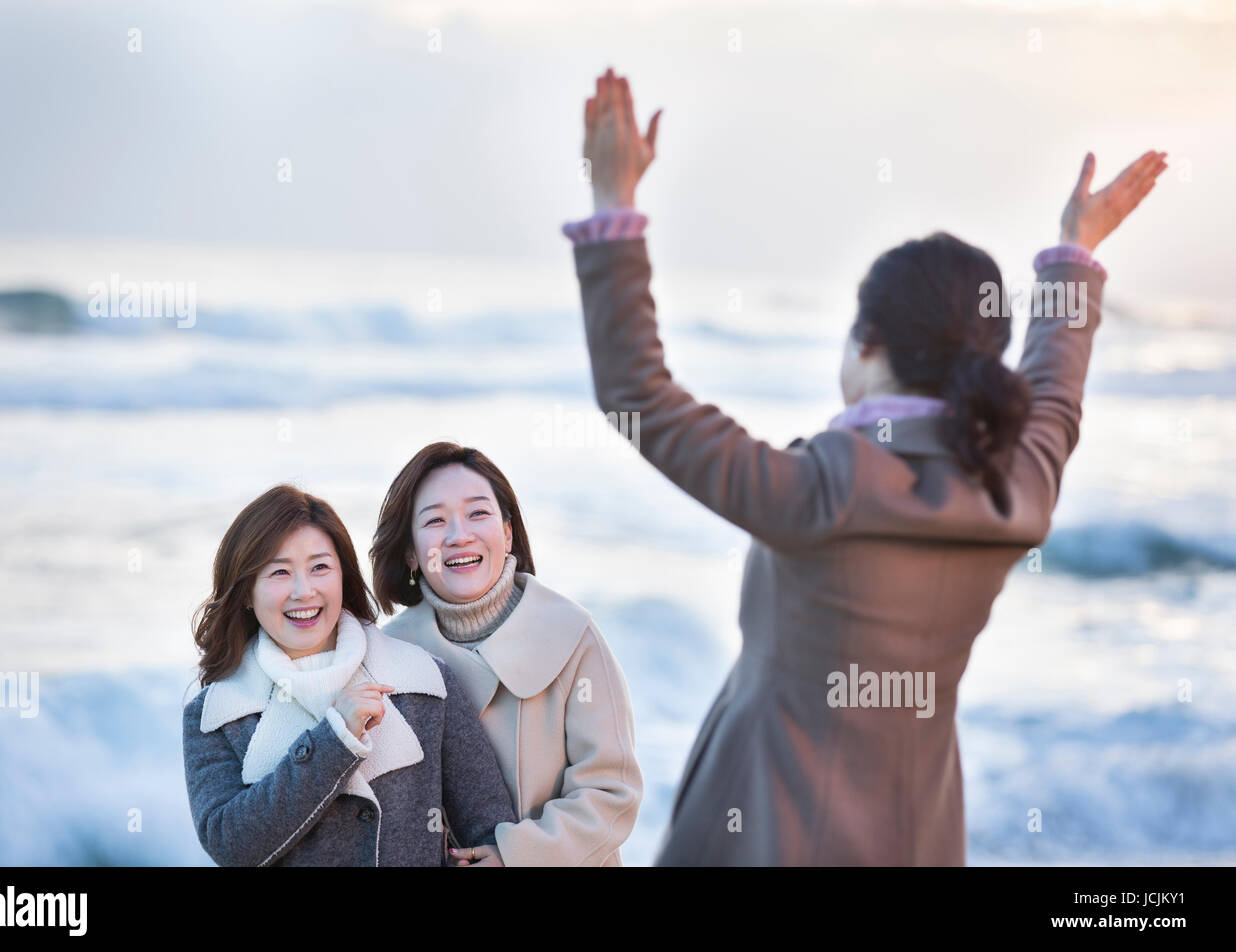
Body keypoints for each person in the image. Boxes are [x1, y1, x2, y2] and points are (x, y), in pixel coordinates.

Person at [564, 66, 1166, 864]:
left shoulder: (819, 491)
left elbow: (636, 393)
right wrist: (1074, 255)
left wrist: (616, 204)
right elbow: (1055, 385)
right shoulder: (1017, 484)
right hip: (916, 838)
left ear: (869, 342)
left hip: (769, 832)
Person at [182, 484, 515, 866]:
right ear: (245, 592)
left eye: (320, 567)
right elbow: (233, 848)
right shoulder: (217, 712)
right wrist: (334, 739)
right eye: (279, 572)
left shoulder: (422, 680)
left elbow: (488, 825)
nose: (303, 591)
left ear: (343, 577)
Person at [372, 443, 642, 865]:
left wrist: (516, 857)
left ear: (508, 531)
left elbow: (613, 793)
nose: (459, 535)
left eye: (478, 513)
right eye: (436, 520)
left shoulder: (572, 635)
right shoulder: (389, 658)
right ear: (410, 552)